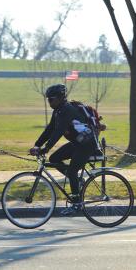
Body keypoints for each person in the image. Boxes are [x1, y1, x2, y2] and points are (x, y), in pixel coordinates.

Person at [29, 84, 97, 215]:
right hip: (78, 144)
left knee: (72, 171)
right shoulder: (58, 111)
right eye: (47, 99)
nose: (49, 102)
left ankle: (77, 204)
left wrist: (46, 148)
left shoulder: (67, 110)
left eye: (51, 99)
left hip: (87, 145)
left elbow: (58, 132)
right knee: (54, 159)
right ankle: (77, 181)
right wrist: (37, 145)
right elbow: (50, 129)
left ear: (60, 98)